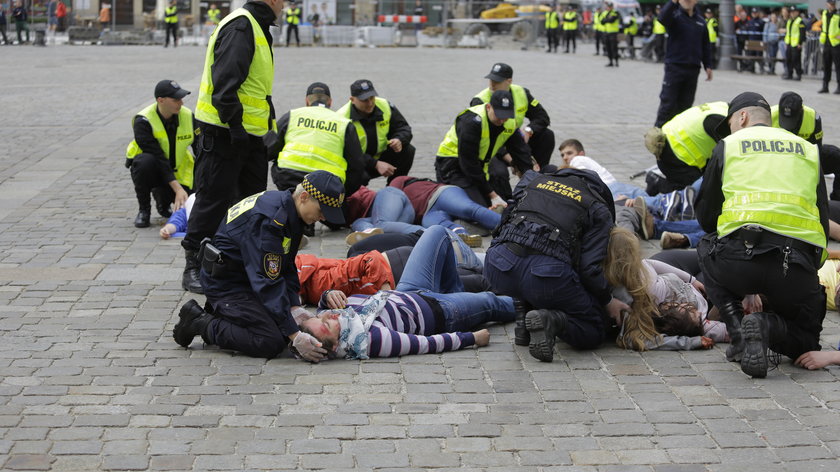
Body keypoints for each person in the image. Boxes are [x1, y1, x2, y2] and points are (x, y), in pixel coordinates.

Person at [695, 92, 828, 378]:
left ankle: (738, 331)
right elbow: (823, 218)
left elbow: (706, 218)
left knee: (706, 245)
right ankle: (770, 327)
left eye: (730, 122)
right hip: (795, 268)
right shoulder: (807, 149)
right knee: (807, 341)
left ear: (741, 117)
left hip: (738, 263)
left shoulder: (728, 145)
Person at [173, 171, 344, 361]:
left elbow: (286, 265)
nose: (322, 219)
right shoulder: (270, 221)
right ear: (304, 197)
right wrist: (295, 336)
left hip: (245, 276)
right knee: (270, 341)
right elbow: (266, 281)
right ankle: (201, 322)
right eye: (321, 211)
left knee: (284, 324)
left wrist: (294, 307)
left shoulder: (289, 209)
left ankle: (232, 317)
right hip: (227, 285)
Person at [183, 0, 284, 294]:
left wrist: (269, 127)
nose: (286, 5)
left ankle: (236, 263)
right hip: (224, 133)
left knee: (248, 204)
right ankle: (194, 264)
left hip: (249, 137)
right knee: (213, 199)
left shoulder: (258, 26)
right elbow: (225, 84)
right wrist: (236, 127)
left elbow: (257, 88)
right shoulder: (242, 25)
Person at [300, 225, 517, 358]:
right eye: (327, 324)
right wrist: (471, 339)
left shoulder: (336, 312)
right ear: (337, 344)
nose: (330, 315)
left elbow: (322, 308)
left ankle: (457, 291)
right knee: (491, 301)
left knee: (436, 232)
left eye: (320, 317)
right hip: (442, 311)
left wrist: (326, 298)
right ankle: (540, 301)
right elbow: (423, 345)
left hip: (408, 290)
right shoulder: (370, 340)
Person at [484, 167, 630, 361]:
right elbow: (589, 269)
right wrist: (607, 301)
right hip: (545, 276)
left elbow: (504, 223)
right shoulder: (597, 208)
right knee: (593, 328)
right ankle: (551, 320)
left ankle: (523, 320)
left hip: (497, 265)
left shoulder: (532, 181)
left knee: (522, 263)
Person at [605, 227, 726, 351]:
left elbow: (650, 263)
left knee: (712, 257)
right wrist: (690, 342)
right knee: (716, 271)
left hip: (674, 276)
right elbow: (642, 340)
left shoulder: (640, 269)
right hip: (687, 295)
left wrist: (691, 280)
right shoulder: (630, 305)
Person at [469, 63, 555, 199]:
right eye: (491, 80)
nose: (492, 84)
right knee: (499, 173)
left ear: (509, 81)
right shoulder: (480, 100)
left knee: (547, 135)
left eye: (497, 81)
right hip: (492, 147)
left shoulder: (521, 93)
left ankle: (538, 179)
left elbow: (542, 117)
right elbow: (483, 139)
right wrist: (511, 159)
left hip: (514, 139)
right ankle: (506, 199)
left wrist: (528, 131)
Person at [268, 82, 367, 199]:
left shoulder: (292, 115)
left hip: (289, 179)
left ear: (307, 101)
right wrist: (342, 195)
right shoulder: (343, 123)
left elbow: (269, 149)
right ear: (330, 102)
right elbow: (356, 166)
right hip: (326, 184)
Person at [435, 89, 532, 208]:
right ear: (488, 107)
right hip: (452, 166)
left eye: (506, 116)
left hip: (480, 166)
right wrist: (492, 195)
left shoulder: (510, 122)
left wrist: (531, 179)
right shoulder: (471, 122)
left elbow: (521, 152)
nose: (502, 120)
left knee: (506, 202)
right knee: (478, 208)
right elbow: (469, 163)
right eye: (499, 115)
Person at [125, 80, 195, 229]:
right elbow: (158, 156)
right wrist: (178, 189)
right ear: (160, 100)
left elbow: (200, 149)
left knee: (192, 200)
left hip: (178, 170)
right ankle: (144, 210)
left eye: (181, 98)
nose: (181, 103)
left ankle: (163, 199)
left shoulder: (188, 116)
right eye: (176, 99)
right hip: (153, 169)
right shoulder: (143, 120)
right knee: (145, 162)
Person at [336, 80, 414, 183]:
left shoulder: (384, 105)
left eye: (372, 97)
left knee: (408, 150)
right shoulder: (341, 118)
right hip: (358, 162)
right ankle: (356, 195)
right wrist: (375, 164)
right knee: (358, 175)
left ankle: (395, 188)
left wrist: (399, 139)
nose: (370, 103)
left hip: (380, 155)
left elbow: (404, 128)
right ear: (352, 100)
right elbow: (348, 153)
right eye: (364, 100)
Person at [653, 0, 713, 128]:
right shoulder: (674, 16)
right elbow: (662, 18)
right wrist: (673, 2)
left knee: (685, 107)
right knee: (668, 103)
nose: (687, 1)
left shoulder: (701, 22)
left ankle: (678, 136)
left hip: (693, 69)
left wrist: (708, 65)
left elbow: (705, 45)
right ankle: (658, 135)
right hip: (675, 67)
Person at [645, 101, 728, 187]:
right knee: (696, 192)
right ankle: (656, 182)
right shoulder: (719, 123)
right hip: (673, 156)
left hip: (670, 136)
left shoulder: (724, 107)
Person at [818, 0, 840, 93]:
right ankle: (825, 85)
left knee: (838, 66)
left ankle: (839, 86)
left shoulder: (838, 14)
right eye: (830, 4)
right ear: (827, 4)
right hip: (826, 43)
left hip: (836, 44)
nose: (831, 6)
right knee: (826, 65)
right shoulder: (825, 13)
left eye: (833, 4)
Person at [783, 7, 805, 80]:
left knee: (796, 60)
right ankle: (790, 74)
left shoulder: (800, 21)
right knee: (788, 59)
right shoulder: (789, 21)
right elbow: (788, 32)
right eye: (791, 12)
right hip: (789, 43)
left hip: (796, 44)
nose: (792, 13)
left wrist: (800, 43)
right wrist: (786, 42)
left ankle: (799, 74)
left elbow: (802, 33)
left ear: (797, 12)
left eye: (794, 12)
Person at [601, 1, 621, 67]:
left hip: (613, 33)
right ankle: (610, 62)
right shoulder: (605, 13)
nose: (609, 8)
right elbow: (602, 22)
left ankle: (616, 61)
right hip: (606, 32)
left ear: (612, 7)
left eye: (610, 7)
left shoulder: (615, 13)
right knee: (608, 47)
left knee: (614, 48)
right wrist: (607, 18)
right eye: (608, 7)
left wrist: (606, 19)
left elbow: (611, 20)